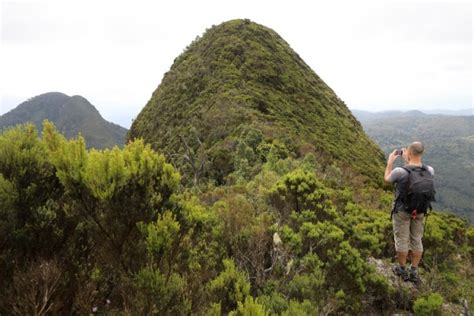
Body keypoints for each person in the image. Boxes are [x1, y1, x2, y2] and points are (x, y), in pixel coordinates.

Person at [384, 141, 434, 283]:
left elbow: (387, 179)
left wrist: (390, 162)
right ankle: (414, 270)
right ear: (422, 153)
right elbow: (415, 172)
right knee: (416, 239)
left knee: (401, 239)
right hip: (420, 211)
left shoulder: (400, 171)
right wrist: (409, 160)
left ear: (409, 153)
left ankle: (401, 268)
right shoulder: (429, 170)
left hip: (402, 211)